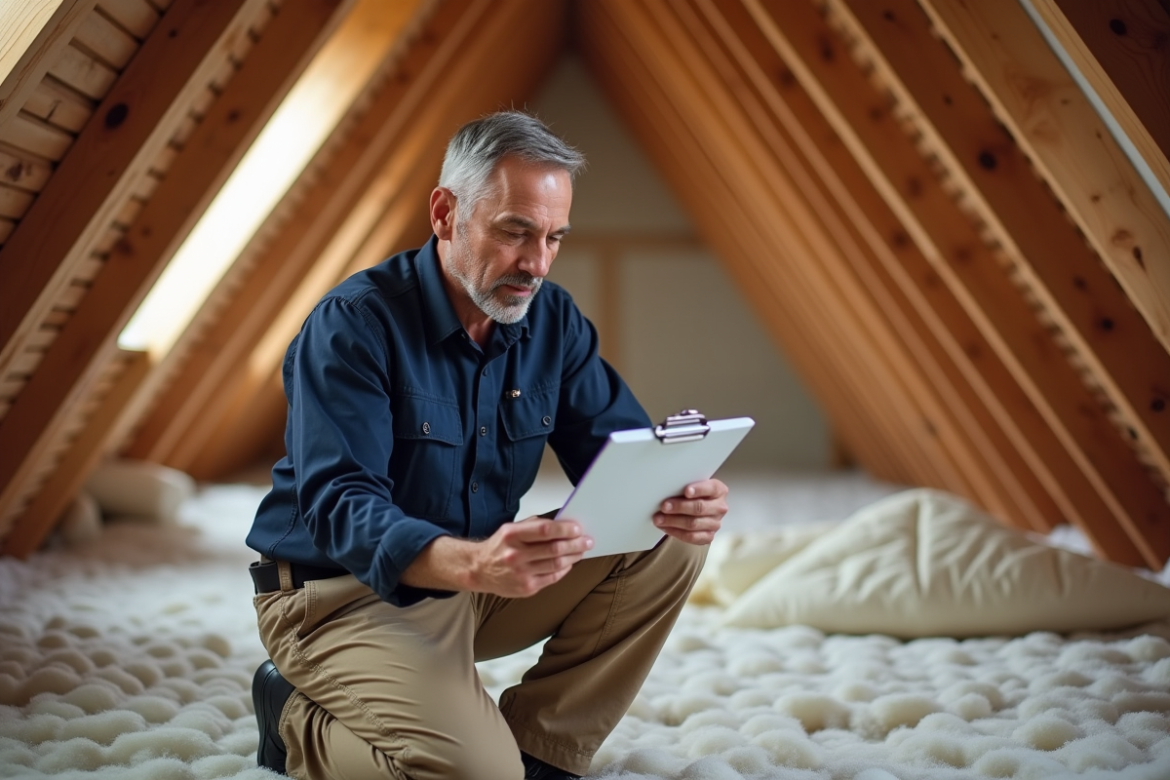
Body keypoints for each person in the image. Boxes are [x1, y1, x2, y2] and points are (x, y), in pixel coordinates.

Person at [246, 110, 730, 780]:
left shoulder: (551, 319)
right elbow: (339, 503)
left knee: (668, 532)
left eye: (554, 238)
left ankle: (540, 752)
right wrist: (470, 564)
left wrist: (682, 492)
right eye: (515, 232)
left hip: (474, 583)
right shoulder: (353, 324)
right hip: (340, 599)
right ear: (445, 213)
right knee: (475, 777)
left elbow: (622, 458)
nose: (536, 263)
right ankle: (293, 717)